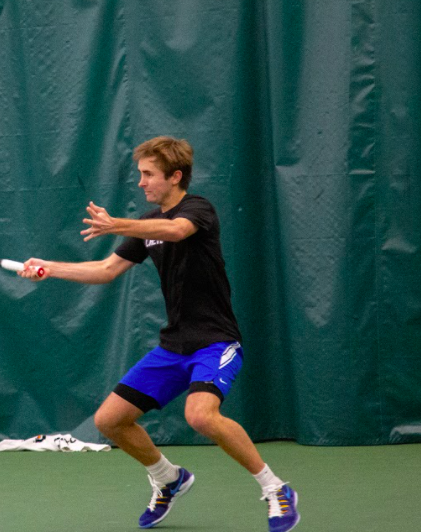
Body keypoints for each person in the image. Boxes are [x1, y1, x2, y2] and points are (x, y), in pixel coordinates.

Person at [18, 136, 300, 531]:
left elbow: (177, 231)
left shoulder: (198, 210)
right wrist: (49, 267)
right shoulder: (146, 227)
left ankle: (275, 488)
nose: (141, 182)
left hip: (216, 342)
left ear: (175, 176)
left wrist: (117, 223)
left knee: (200, 415)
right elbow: (105, 271)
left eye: (148, 175)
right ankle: (169, 478)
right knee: (110, 421)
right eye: (140, 174)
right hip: (173, 347)